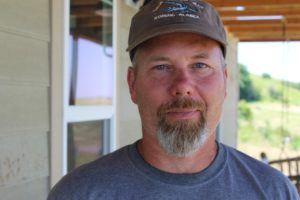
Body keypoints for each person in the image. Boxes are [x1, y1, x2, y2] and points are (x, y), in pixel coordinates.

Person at [48, 0, 299, 199]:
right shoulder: (79, 193)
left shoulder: (273, 191)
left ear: (225, 81)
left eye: (200, 65)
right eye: (161, 66)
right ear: (133, 85)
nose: (182, 86)